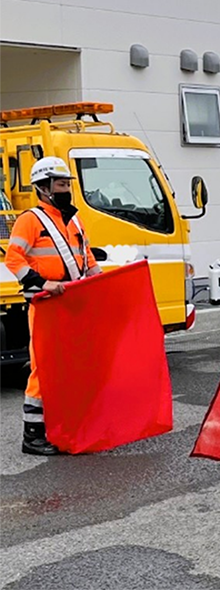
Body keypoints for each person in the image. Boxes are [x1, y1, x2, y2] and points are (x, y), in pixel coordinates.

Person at [6, 157, 101, 455]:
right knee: (44, 367)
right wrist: (41, 282)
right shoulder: (30, 219)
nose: (66, 189)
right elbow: (14, 258)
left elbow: (87, 258)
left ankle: (65, 426)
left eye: (67, 184)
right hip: (46, 304)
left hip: (73, 302)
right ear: (43, 188)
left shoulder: (73, 219)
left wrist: (101, 283)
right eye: (61, 184)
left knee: (72, 366)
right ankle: (32, 436)